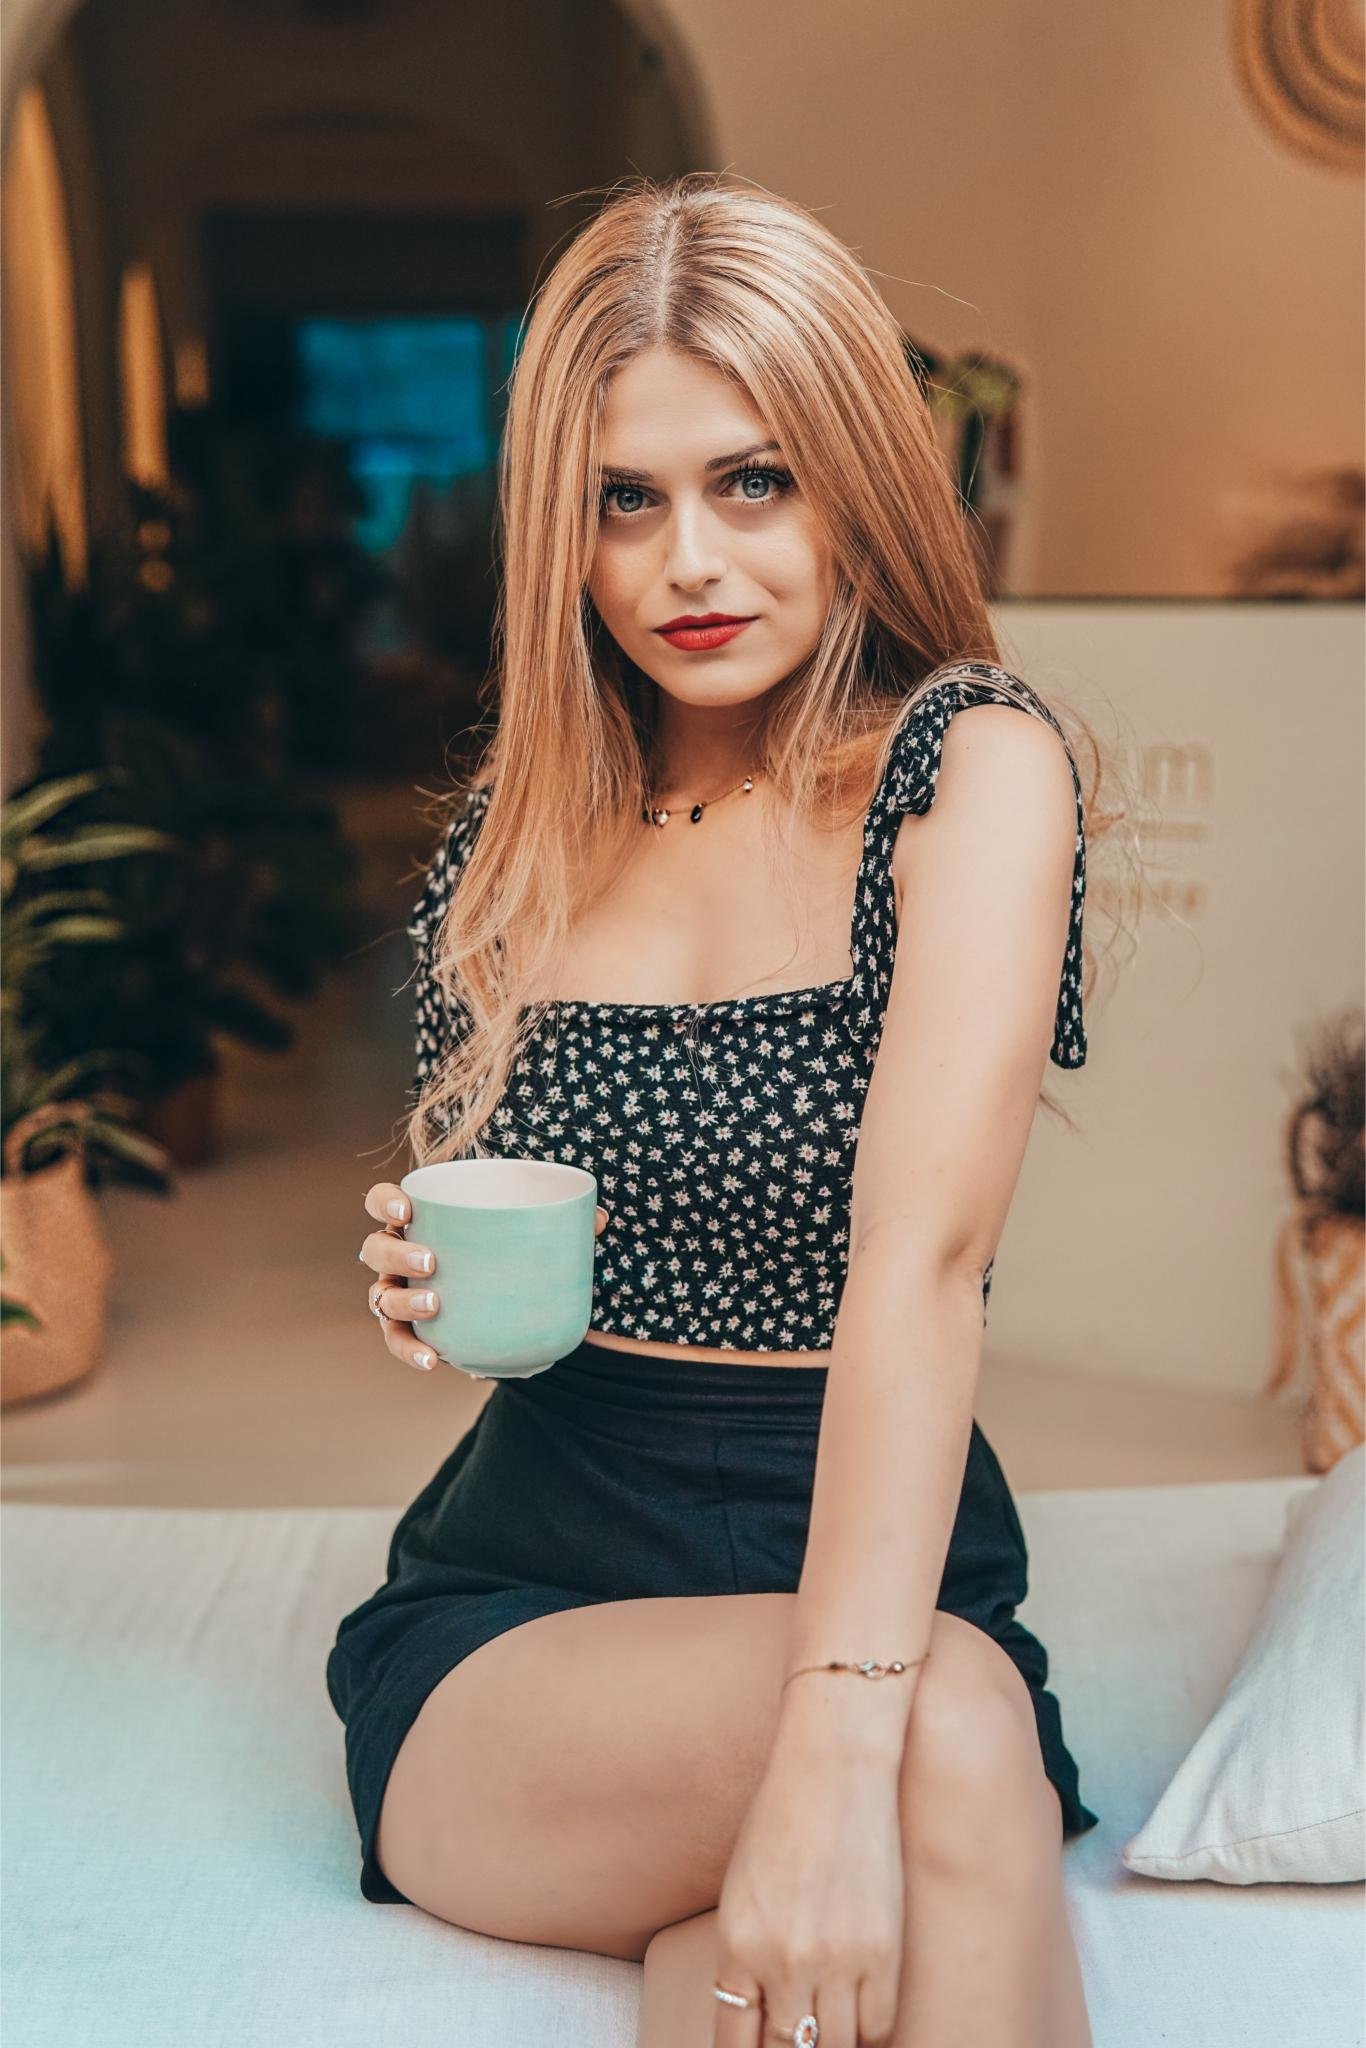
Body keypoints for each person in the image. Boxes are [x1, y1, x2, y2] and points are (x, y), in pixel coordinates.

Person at [330, 171, 1103, 2048]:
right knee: (956, 1733)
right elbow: (489, 1190)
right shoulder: (522, 824)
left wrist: (831, 1744)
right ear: (559, 536)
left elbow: (919, 1272)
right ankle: (833, 1773)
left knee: (857, 1829)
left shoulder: (967, 767)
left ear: (851, 478)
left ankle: (807, 1801)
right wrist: (408, 1278)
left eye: (752, 481)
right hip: (527, 1604)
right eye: (626, 500)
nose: (691, 561)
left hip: (882, 1564)